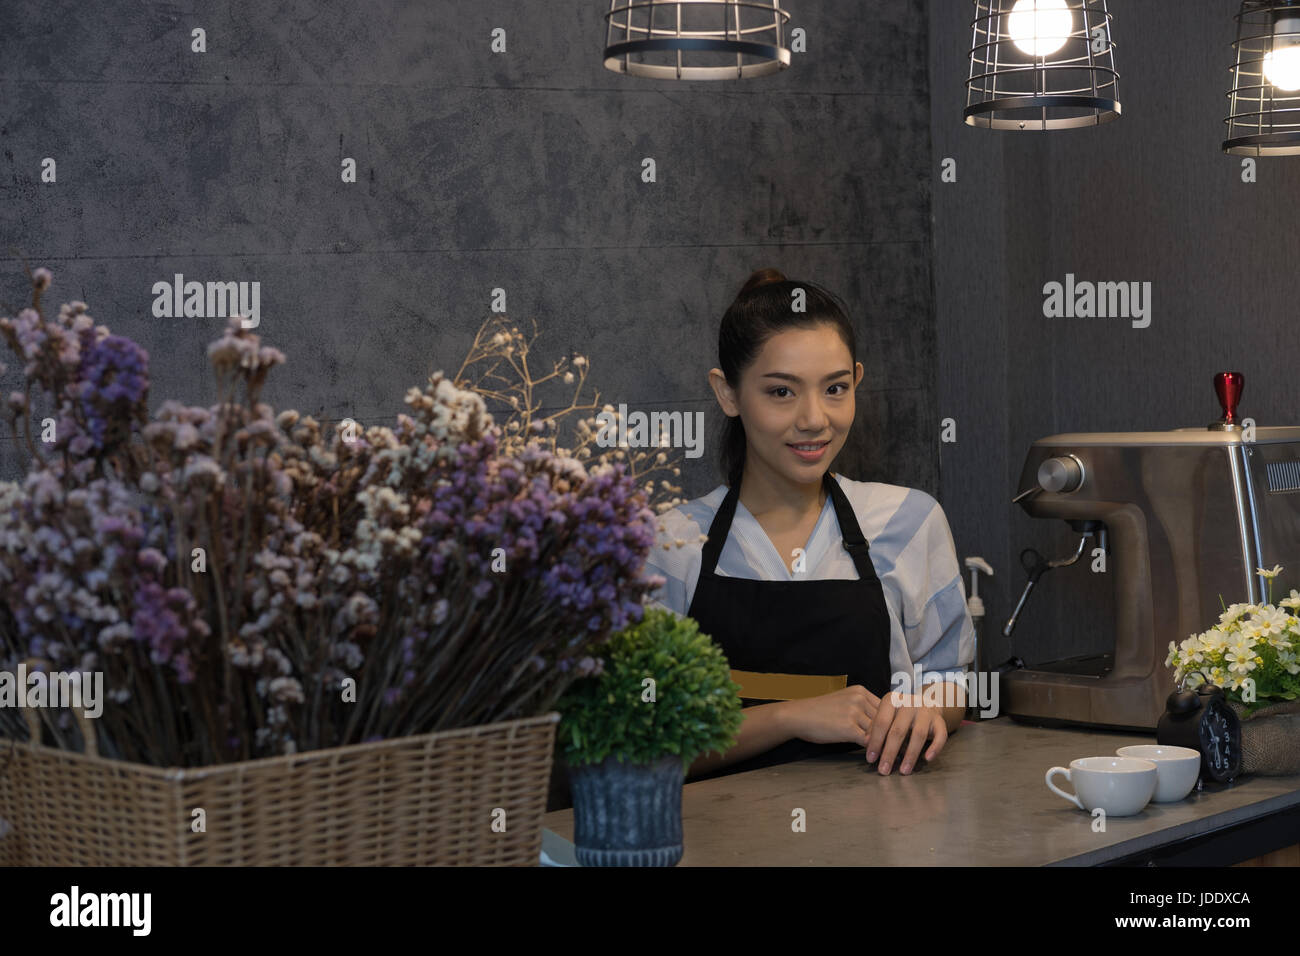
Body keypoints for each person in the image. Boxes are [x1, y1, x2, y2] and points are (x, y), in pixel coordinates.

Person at [643, 267, 975, 780]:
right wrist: (789, 717)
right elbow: (645, 741)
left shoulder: (909, 521)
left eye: (836, 388)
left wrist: (927, 709)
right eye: (782, 392)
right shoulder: (673, 544)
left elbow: (949, 678)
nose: (815, 418)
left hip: (882, 839)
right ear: (727, 393)